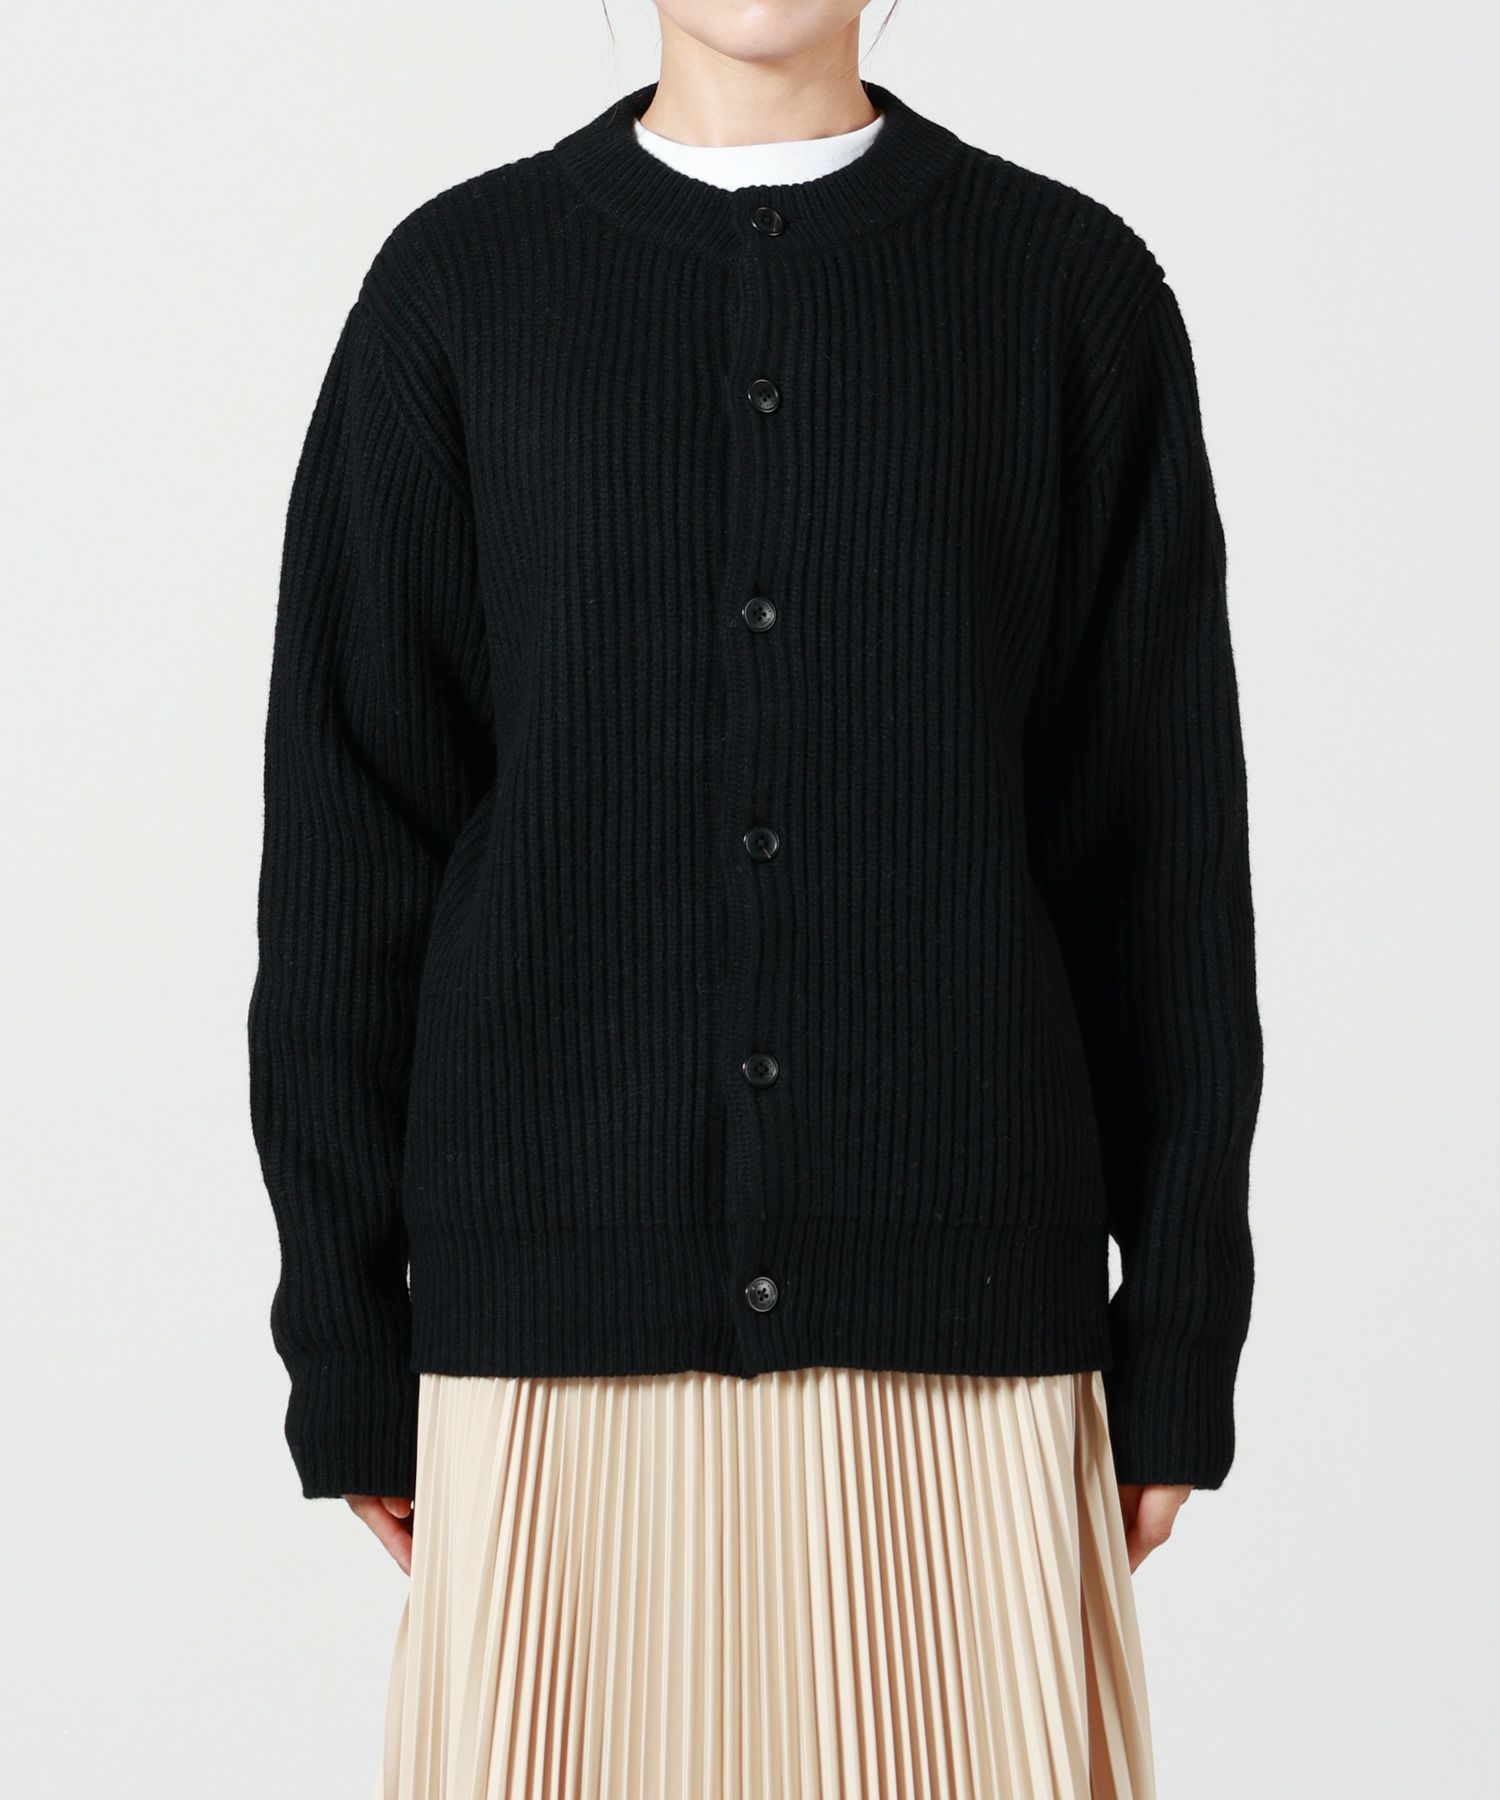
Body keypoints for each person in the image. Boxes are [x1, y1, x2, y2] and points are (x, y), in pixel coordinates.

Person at [247, 4, 1264, 1795]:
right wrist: (346, 1336)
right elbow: (351, 849)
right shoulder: (459, 292)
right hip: (554, 1361)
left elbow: (1160, 858)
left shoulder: (1066, 294)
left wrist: (1177, 1334)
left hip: (964, 1359)